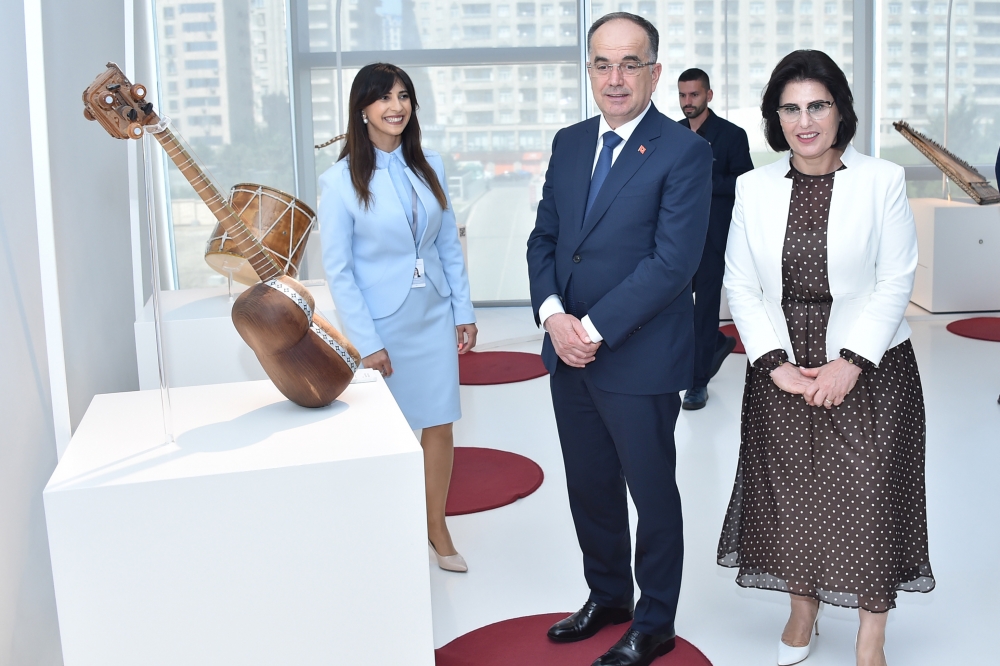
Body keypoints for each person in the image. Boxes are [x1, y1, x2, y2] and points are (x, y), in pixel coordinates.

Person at [718, 50, 935, 666]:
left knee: (870, 495)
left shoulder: (882, 180)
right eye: (790, 109)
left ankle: (871, 633)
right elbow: (741, 285)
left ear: (841, 111)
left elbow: (896, 279)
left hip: (871, 365)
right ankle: (802, 608)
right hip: (782, 364)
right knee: (792, 495)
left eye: (817, 106)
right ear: (775, 119)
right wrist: (774, 364)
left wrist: (850, 362)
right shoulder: (753, 187)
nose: (804, 121)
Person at [526, 12, 712, 666]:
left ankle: (654, 621)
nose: (615, 77)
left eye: (630, 63)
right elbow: (546, 239)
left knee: (651, 493)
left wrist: (592, 329)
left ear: (654, 73)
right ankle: (608, 596)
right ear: (589, 71)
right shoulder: (570, 142)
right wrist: (554, 316)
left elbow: (673, 263)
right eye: (602, 64)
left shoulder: (684, 151)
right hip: (567, 353)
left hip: (639, 356)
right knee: (590, 485)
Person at [318, 63, 478, 573]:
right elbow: (339, 271)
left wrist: (463, 310)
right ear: (362, 108)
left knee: (439, 422)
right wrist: (367, 342)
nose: (396, 106)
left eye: (404, 95)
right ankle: (385, 530)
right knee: (386, 431)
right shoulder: (339, 182)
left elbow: (447, 243)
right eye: (384, 97)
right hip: (381, 324)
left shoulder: (430, 166)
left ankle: (436, 525)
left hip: (433, 314)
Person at [676, 68, 755, 410]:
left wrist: (705, 183)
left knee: (706, 308)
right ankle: (713, 346)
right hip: (676, 238)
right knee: (675, 306)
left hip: (713, 237)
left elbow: (745, 183)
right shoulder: (672, 134)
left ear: (708, 95)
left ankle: (697, 383)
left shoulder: (732, 135)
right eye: (682, 95)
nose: (687, 101)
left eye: (694, 94)